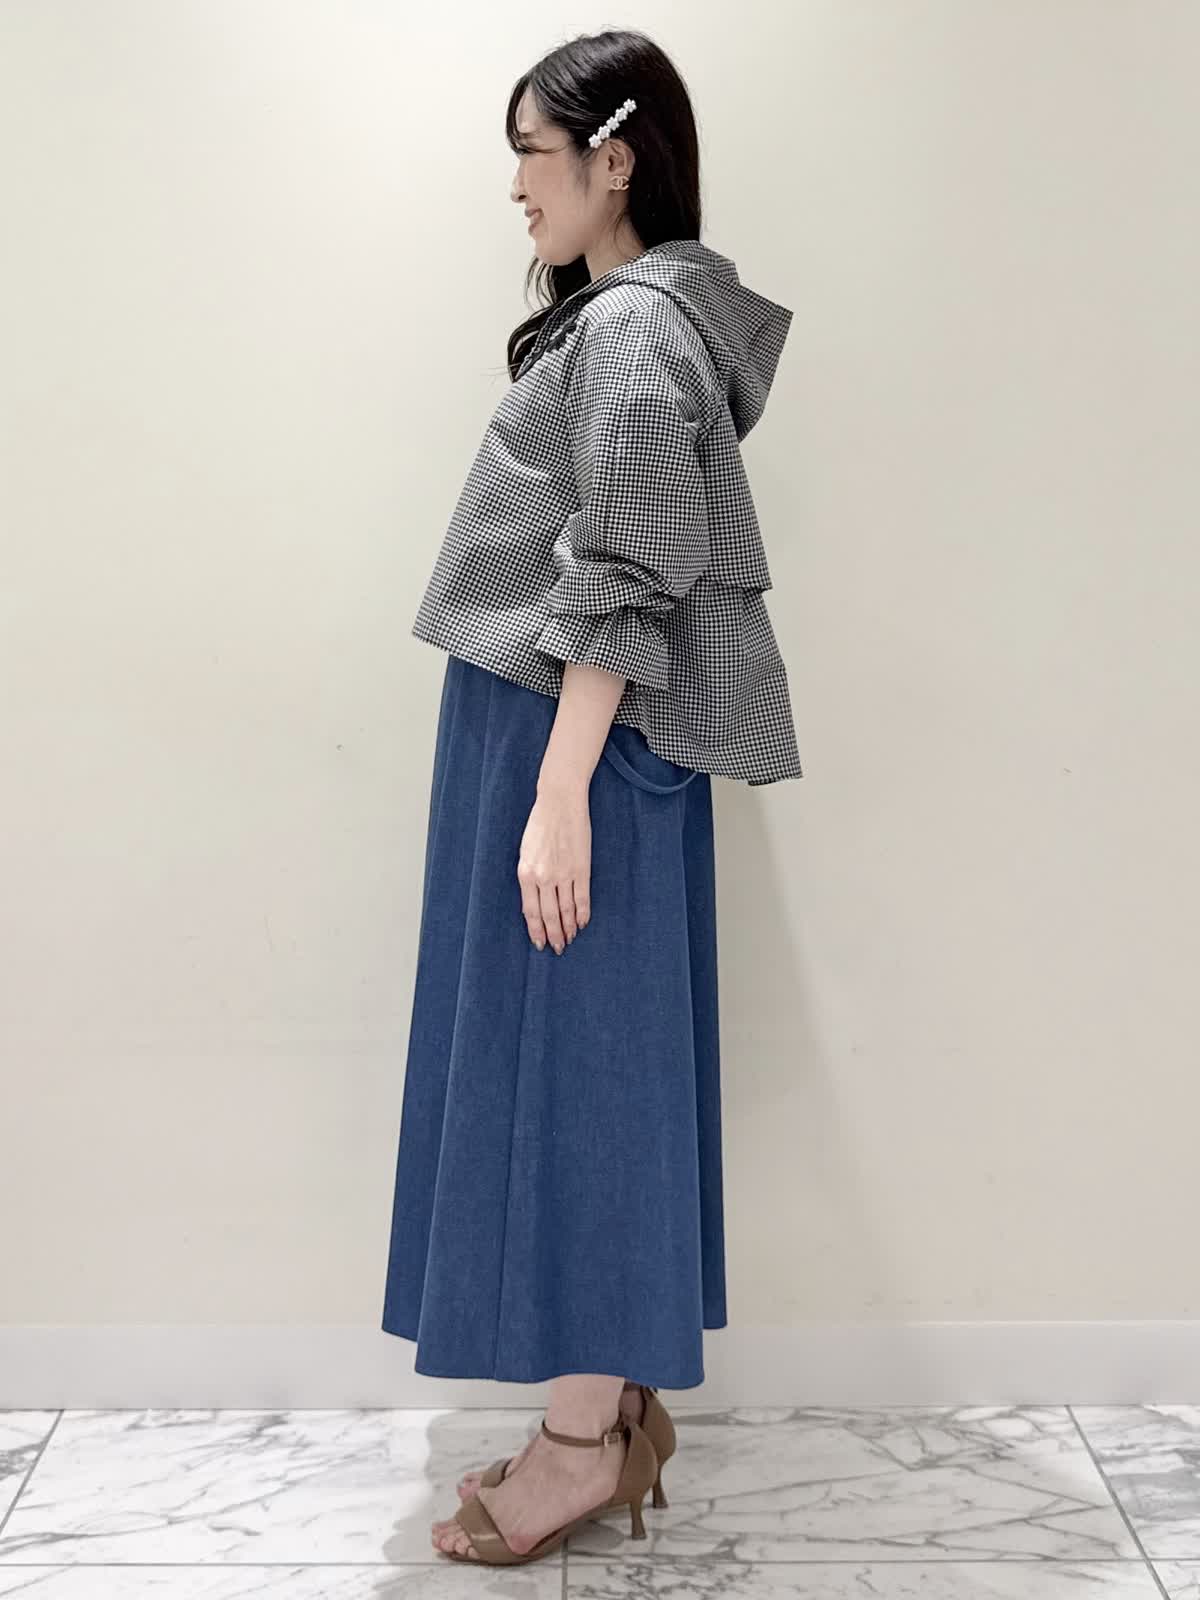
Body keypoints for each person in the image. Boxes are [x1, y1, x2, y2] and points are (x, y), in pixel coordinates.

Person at [379, 27, 804, 1567]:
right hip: (579, 739)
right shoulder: (642, 321)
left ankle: (579, 1447)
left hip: (576, 745)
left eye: (533, 155)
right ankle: (605, 1414)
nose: (516, 188)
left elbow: (623, 572)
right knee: (595, 1079)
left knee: (579, 1092)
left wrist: (558, 792)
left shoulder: (630, 332)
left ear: (613, 161)